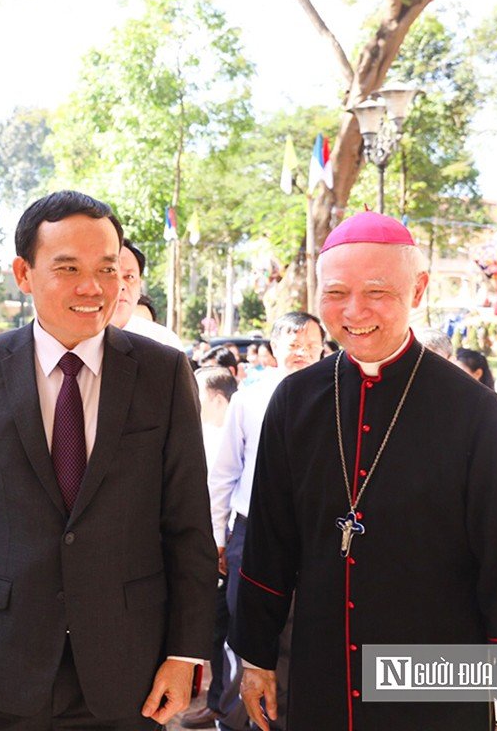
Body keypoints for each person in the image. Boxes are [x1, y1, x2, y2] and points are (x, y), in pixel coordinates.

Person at [232, 211, 497, 731]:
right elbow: (269, 543)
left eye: (377, 292)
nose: (354, 311)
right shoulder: (295, 400)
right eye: (336, 293)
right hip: (325, 668)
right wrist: (255, 658)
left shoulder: (472, 410)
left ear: (419, 289)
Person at [0, 190, 215, 729]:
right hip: (1, 667)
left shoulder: (163, 373)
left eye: (109, 269)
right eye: (68, 268)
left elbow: (188, 528)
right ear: (24, 272)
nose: (93, 287)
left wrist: (185, 653)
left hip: (131, 670)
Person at [207, 312, 325, 731]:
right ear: (273, 348)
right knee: (245, 630)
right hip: (250, 531)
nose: (300, 350)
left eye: (309, 343)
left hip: (315, 536)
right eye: (291, 342)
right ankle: (234, 719)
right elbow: (223, 473)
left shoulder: (336, 400)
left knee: (303, 634)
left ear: (323, 348)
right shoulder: (249, 399)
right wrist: (218, 536)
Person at [179, 365, 238, 730]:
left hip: (226, 545)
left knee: (224, 629)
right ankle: (217, 701)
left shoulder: (226, 435)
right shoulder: (202, 432)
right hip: (209, 542)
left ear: (215, 398)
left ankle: (221, 705)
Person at [112, 239, 186, 350]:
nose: (121, 286)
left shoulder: (164, 343)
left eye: (129, 277)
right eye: (110, 273)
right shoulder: (77, 337)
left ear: (139, 287)